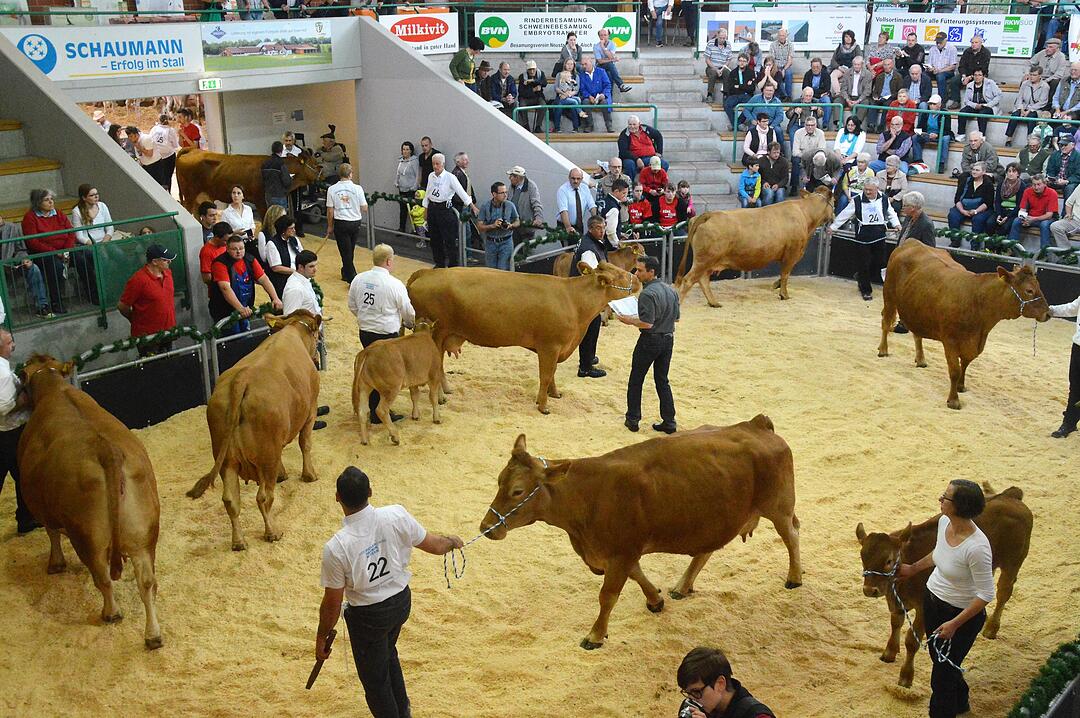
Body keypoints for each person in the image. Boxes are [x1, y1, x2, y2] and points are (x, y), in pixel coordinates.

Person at [316, 466, 464, 718]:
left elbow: (332, 602)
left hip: (368, 618)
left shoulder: (336, 547)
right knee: (387, 653)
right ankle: (403, 710)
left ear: (337, 497)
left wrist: (321, 636)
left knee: (375, 682)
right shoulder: (396, 515)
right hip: (400, 604)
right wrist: (452, 541)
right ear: (370, 492)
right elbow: (436, 545)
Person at [896, 481, 994, 718]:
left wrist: (954, 624)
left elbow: (986, 594)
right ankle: (962, 707)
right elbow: (939, 553)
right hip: (933, 602)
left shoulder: (977, 548)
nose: (940, 500)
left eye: (945, 498)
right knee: (944, 664)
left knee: (940, 679)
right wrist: (913, 568)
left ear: (960, 506)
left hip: (960, 616)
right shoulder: (943, 523)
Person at [348, 244, 415, 424]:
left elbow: (352, 305)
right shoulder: (395, 284)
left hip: (365, 332)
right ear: (388, 261)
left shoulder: (358, 279)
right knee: (386, 374)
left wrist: (365, 318)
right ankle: (380, 412)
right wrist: (410, 324)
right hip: (387, 337)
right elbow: (407, 311)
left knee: (371, 369)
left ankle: (372, 407)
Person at [619, 254, 678, 434]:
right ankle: (669, 421)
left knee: (636, 379)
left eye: (640, 270)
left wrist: (629, 320)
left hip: (650, 340)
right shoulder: (671, 291)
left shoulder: (647, 294)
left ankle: (633, 419)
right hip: (668, 339)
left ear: (651, 272)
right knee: (662, 380)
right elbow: (676, 318)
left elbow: (647, 324)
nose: (636, 273)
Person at [828, 178, 900, 301]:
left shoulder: (884, 198)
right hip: (863, 237)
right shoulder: (857, 200)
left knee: (880, 262)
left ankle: (862, 277)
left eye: (870, 190)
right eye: (865, 189)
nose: (867, 192)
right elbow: (845, 214)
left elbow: (891, 212)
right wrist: (833, 227)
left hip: (880, 236)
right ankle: (865, 289)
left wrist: (896, 224)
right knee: (864, 264)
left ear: (877, 189)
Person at [0, 329, 39, 535]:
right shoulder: (4, 374)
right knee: (24, 475)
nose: (13, 345)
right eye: (10, 342)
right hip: (10, 431)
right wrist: (22, 402)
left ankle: (26, 517)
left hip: (5, 432)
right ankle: (26, 519)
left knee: (21, 474)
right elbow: (4, 407)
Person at [569, 216, 616, 378]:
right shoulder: (589, 249)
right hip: (586, 295)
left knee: (592, 326)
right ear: (590, 229)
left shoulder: (591, 242)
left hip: (584, 293)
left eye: (603, 227)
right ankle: (585, 367)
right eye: (597, 228)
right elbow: (592, 275)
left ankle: (589, 357)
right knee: (590, 328)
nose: (602, 231)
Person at [209, 234, 282, 335]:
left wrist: (275, 298)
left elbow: (264, 279)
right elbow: (225, 288)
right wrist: (240, 309)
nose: (239, 252)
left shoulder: (250, 260)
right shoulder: (220, 264)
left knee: (246, 334)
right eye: (234, 249)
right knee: (230, 339)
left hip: (246, 308)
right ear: (227, 249)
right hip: (225, 311)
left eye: (241, 248)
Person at [676, 646, 775, 718]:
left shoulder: (757, 715)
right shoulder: (693, 710)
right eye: (688, 693)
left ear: (720, 684)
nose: (691, 699)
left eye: (696, 692)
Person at [117, 244, 177, 357]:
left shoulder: (168, 274)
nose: (169, 262)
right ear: (154, 261)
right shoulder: (138, 280)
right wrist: (135, 319)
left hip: (168, 330)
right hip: (148, 335)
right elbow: (122, 306)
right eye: (165, 260)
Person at [22, 188, 74, 315]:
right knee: (56, 266)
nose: (51, 202)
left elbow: (70, 232)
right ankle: (56, 301)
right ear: (38, 202)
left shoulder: (58, 213)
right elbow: (33, 242)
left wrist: (66, 250)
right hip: (42, 253)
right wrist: (55, 252)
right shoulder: (30, 217)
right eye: (47, 200)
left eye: (51, 199)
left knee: (85, 256)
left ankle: (94, 294)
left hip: (64, 249)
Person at [423, 154, 477, 268]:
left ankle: (453, 265)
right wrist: (426, 209)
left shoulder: (450, 177)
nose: (435, 166)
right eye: (433, 164)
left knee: (449, 240)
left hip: (445, 209)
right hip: (433, 208)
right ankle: (439, 263)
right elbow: (427, 192)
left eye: (437, 164)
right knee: (434, 239)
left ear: (443, 164)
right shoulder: (431, 176)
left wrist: (472, 206)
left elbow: (462, 193)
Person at [70, 183, 113, 305]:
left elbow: (110, 227)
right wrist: (94, 245)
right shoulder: (77, 211)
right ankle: (101, 293)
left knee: (120, 255)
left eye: (97, 194)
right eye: (92, 195)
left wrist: (105, 241)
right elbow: (79, 236)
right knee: (101, 258)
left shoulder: (103, 206)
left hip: (104, 241)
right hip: (89, 244)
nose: (96, 197)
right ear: (84, 198)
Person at [326, 163, 368, 283]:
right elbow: (364, 207)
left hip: (341, 222)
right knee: (350, 249)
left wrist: (330, 225)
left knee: (345, 251)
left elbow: (330, 210)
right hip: (355, 222)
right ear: (350, 174)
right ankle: (346, 272)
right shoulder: (358, 188)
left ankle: (351, 277)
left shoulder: (332, 189)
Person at [1048, 284, 1080, 436]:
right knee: (1075, 387)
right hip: (1078, 346)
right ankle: (1069, 423)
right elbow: (1071, 308)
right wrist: (1051, 310)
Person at [947, 162, 996, 242]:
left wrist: (976, 211)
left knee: (978, 219)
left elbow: (988, 203)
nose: (974, 172)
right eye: (973, 169)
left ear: (983, 172)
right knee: (953, 215)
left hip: (981, 209)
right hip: (964, 207)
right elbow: (957, 199)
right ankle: (955, 242)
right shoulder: (965, 181)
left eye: (977, 170)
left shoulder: (988, 184)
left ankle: (974, 246)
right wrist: (962, 211)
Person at [477, 181, 519, 271]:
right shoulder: (485, 206)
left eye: (506, 192)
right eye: (502, 193)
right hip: (490, 243)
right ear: (494, 194)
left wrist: (510, 225)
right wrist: (492, 226)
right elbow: (479, 227)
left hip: (506, 242)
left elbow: (517, 221)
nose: (505, 195)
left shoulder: (510, 205)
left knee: (503, 270)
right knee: (491, 271)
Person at [1009, 174, 1059, 249]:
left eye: (1039, 184)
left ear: (1045, 184)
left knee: (1044, 225)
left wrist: (1033, 219)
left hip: (1047, 218)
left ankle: (1044, 252)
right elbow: (1023, 209)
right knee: (1016, 221)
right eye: (1034, 185)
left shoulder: (1052, 193)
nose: (1036, 187)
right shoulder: (1027, 191)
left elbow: (1049, 215)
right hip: (1031, 217)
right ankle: (1011, 248)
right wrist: (1024, 219)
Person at [1006, 66, 1050, 147]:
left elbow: (1042, 102)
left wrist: (1030, 110)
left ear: (1040, 76)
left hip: (1036, 109)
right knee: (1015, 115)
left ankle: (1030, 140)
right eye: (1031, 74)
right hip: (1023, 107)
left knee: (1032, 117)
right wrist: (1021, 108)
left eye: (1034, 75)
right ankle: (1009, 139)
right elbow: (1019, 98)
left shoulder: (1045, 86)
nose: (1031, 77)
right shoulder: (1024, 84)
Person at [263, 214, 304, 299]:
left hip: (298, 278)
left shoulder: (295, 240)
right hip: (282, 281)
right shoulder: (272, 244)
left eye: (294, 228)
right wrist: (296, 272)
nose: (294, 230)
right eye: (291, 228)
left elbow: (302, 254)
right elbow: (276, 267)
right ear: (283, 229)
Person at [953, 68, 1000, 139]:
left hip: (988, 106)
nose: (977, 77)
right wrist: (975, 105)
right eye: (975, 75)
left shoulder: (990, 83)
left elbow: (998, 96)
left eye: (979, 75)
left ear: (983, 76)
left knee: (982, 114)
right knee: (962, 112)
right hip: (975, 106)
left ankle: (982, 136)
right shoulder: (970, 85)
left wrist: (989, 105)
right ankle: (961, 134)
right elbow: (966, 101)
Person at [617, 116, 667, 182]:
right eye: (630, 124)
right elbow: (623, 152)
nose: (632, 126)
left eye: (634, 124)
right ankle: (629, 185)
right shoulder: (624, 134)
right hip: (632, 159)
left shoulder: (646, 129)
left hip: (649, 157)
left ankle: (657, 184)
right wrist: (637, 159)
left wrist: (659, 152)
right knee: (629, 164)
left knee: (664, 164)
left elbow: (658, 136)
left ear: (639, 124)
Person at [948, 36, 991, 111]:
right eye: (972, 42)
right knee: (954, 80)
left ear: (981, 43)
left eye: (976, 42)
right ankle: (956, 101)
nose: (973, 44)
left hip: (980, 75)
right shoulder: (967, 51)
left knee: (978, 80)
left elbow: (983, 69)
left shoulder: (986, 53)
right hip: (966, 74)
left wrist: (970, 77)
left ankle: (978, 102)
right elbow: (961, 66)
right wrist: (964, 76)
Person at [506, 166, 543, 247]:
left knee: (527, 251)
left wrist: (538, 218)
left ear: (518, 177)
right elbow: (508, 202)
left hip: (527, 227)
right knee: (515, 250)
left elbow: (536, 204)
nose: (509, 178)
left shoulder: (531, 186)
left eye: (511, 176)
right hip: (514, 226)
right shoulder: (512, 186)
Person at [556, 167, 596, 240]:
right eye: (573, 178)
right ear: (569, 178)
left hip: (579, 225)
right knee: (568, 250)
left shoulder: (585, 188)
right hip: (564, 225)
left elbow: (592, 206)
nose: (576, 181)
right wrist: (568, 227)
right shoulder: (563, 190)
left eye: (578, 179)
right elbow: (563, 211)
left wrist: (596, 221)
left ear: (582, 178)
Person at [989, 163, 1027, 237]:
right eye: (1009, 171)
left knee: (1005, 227)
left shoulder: (1022, 186)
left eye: (1013, 171)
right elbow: (997, 201)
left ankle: (1000, 247)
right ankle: (989, 247)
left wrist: (1007, 217)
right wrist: (999, 214)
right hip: (1001, 210)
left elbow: (1019, 205)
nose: (1011, 174)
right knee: (989, 223)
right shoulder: (1001, 184)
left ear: (1018, 174)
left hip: (1013, 212)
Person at [912, 95, 950, 169]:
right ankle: (918, 160)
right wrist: (922, 133)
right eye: (930, 104)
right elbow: (919, 127)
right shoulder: (925, 113)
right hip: (927, 135)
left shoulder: (945, 114)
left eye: (934, 104)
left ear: (939, 105)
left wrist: (937, 135)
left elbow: (947, 130)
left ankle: (941, 163)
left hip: (939, 136)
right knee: (915, 137)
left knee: (945, 139)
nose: (932, 106)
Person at [579, 57, 613, 134]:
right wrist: (589, 96)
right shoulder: (581, 75)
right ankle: (590, 125)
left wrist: (604, 94)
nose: (584, 66)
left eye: (585, 64)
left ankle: (609, 125)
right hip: (590, 97)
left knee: (604, 102)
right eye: (582, 64)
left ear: (591, 63)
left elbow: (607, 85)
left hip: (601, 96)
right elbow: (582, 89)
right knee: (585, 102)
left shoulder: (601, 71)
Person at [282, 249, 321, 317]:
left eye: (315, 265)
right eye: (311, 266)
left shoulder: (305, 279)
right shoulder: (295, 289)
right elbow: (290, 318)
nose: (315, 269)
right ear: (301, 267)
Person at [868, 57, 901, 133]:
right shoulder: (879, 76)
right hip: (880, 97)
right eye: (885, 65)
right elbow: (875, 90)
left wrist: (890, 96)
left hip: (891, 97)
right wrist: (875, 96)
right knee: (873, 104)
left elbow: (899, 91)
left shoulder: (898, 76)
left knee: (887, 105)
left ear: (892, 65)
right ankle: (871, 125)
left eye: (888, 64)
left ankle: (882, 126)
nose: (886, 67)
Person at [594, 27, 632, 94]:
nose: (603, 37)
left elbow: (610, 56)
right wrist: (612, 59)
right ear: (599, 36)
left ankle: (609, 100)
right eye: (601, 35)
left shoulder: (612, 44)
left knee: (609, 74)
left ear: (608, 36)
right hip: (600, 66)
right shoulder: (596, 46)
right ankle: (620, 85)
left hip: (609, 68)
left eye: (605, 35)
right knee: (610, 64)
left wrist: (603, 48)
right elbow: (600, 61)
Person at [723, 54, 755, 131]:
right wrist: (745, 86)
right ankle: (738, 125)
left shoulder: (751, 72)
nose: (742, 63)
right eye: (740, 61)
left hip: (746, 95)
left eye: (744, 61)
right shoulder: (733, 73)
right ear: (738, 62)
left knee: (751, 105)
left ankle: (735, 124)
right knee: (727, 104)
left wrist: (739, 86)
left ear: (747, 62)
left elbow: (752, 88)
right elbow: (731, 88)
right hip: (734, 95)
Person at [148, 114, 180, 191]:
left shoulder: (154, 129)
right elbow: (175, 145)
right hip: (168, 156)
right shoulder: (171, 130)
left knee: (158, 176)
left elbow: (150, 140)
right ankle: (168, 193)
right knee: (168, 177)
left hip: (156, 157)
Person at [552, 58, 585, 133]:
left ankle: (575, 128)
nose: (570, 66)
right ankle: (557, 128)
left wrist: (568, 95)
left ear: (574, 66)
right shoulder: (559, 75)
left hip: (571, 96)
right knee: (559, 105)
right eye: (568, 64)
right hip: (560, 96)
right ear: (565, 65)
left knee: (574, 104)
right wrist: (563, 94)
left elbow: (576, 90)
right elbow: (556, 87)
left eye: (571, 64)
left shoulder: (576, 76)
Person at [1045, 134, 1080, 204]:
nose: (1063, 147)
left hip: (1069, 182)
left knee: (1070, 188)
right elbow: (1050, 170)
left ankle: (1066, 213)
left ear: (1072, 145)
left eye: (1065, 145)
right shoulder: (1055, 155)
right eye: (1061, 145)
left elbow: (1078, 175)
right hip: (1055, 181)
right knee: (1040, 184)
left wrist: (1066, 181)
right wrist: (1051, 178)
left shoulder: (1078, 157)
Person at [1032, 37, 1068, 103]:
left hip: (1051, 79)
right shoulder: (1042, 53)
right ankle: (1019, 107)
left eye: (1051, 47)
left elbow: (1059, 74)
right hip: (1039, 77)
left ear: (1057, 49)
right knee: (1025, 80)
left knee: (1055, 82)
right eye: (1047, 47)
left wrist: (1045, 81)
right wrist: (1027, 73)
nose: (1047, 49)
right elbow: (1029, 63)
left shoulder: (1061, 57)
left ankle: (1048, 106)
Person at [831, 31, 864, 103]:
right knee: (833, 74)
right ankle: (838, 93)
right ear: (843, 38)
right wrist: (839, 67)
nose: (848, 38)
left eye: (850, 37)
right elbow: (833, 61)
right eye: (846, 37)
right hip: (841, 68)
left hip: (852, 69)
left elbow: (859, 60)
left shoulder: (856, 47)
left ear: (852, 38)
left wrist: (850, 69)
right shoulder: (840, 47)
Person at [927, 32, 959, 106]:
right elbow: (929, 64)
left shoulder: (952, 49)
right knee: (923, 75)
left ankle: (942, 101)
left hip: (947, 71)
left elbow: (953, 66)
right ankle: (926, 98)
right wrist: (931, 69)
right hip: (934, 71)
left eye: (940, 42)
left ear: (945, 40)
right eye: (937, 42)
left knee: (940, 76)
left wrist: (939, 71)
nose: (938, 44)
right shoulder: (932, 49)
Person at [703, 27, 733, 105]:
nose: (722, 40)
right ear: (717, 36)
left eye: (724, 38)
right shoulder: (710, 43)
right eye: (720, 38)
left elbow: (729, 59)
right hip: (712, 66)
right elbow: (707, 59)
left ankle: (726, 94)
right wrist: (716, 69)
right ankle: (709, 94)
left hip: (723, 66)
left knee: (728, 72)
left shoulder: (728, 44)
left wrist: (723, 68)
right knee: (713, 73)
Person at [395, 141, 420, 234]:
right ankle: (402, 228)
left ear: (411, 151)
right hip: (402, 189)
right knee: (402, 210)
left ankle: (417, 230)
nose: (405, 151)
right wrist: (396, 182)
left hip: (411, 190)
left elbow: (417, 175)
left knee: (414, 211)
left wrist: (415, 186)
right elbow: (398, 174)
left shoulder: (414, 161)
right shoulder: (400, 161)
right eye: (403, 149)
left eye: (407, 149)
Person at [517, 60, 549, 132]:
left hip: (538, 97)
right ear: (527, 70)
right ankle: (526, 125)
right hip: (526, 98)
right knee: (522, 106)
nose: (531, 71)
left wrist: (533, 81)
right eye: (530, 70)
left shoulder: (540, 73)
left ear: (536, 68)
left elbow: (545, 83)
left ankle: (538, 126)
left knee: (543, 105)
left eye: (533, 69)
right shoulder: (522, 76)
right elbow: (521, 92)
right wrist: (533, 90)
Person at [802, 57, 833, 129]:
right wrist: (818, 93)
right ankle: (805, 124)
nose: (815, 69)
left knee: (827, 101)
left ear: (821, 67)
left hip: (822, 97)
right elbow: (804, 88)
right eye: (813, 67)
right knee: (804, 97)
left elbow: (826, 89)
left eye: (817, 67)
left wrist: (813, 91)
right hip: (811, 96)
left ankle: (825, 125)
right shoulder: (807, 74)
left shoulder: (826, 75)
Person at [200, 221, 232, 288]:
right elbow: (206, 278)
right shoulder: (206, 251)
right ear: (217, 238)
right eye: (225, 240)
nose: (228, 243)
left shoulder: (225, 245)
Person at [262, 141, 292, 210]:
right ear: (281, 150)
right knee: (281, 217)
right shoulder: (281, 164)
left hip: (268, 195)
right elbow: (286, 182)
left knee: (271, 215)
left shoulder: (265, 163)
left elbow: (263, 179)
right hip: (279, 195)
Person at [770, 27, 794, 100]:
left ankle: (789, 97)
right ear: (778, 36)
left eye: (783, 35)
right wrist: (778, 69)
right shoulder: (773, 45)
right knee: (778, 74)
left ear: (786, 36)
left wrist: (784, 69)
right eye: (780, 35)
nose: (781, 37)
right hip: (776, 66)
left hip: (786, 66)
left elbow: (790, 60)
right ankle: (784, 96)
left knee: (788, 74)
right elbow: (772, 60)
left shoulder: (790, 45)